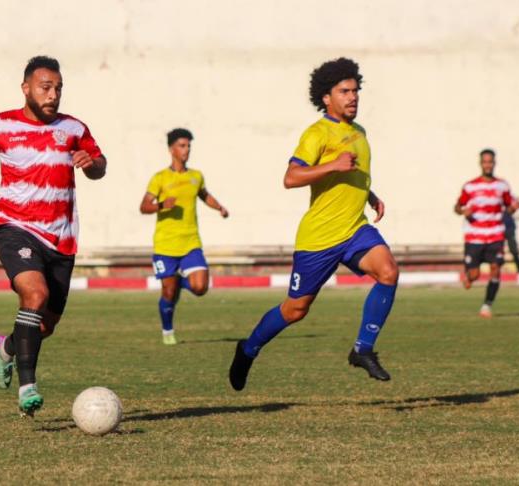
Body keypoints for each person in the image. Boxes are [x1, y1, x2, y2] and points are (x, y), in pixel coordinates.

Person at [0, 56, 106, 416]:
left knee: (46, 324)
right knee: (35, 293)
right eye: (45, 87)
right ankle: (28, 386)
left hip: (62, 237)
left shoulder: (74, 128)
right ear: (26, 88)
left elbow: (99, 166)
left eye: (58, 88)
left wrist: (92, 164)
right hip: (14, 225)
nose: (53, 94)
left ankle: (8, 348)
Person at [229, 58, 399, 391]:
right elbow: (291, 178)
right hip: (319, 237)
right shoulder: (317, 134)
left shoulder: (358, 132)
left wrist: (370, 195)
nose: (353, 97)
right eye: (344, 91)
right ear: (326, 97)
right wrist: (333, 165)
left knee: (389, 272)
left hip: (354, 230)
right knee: (295, 310)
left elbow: (352, 174)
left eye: (355, 90)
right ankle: (247, 349)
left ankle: (362, 349)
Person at [139, 128, 229, 345]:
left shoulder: (195, 176)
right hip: (165, 245)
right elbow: (144, 207)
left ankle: (180, 281)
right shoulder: (160, 178)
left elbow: (204, 195)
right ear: (171, 149)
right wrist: (162, 205)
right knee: (168, 292)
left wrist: (219, 208)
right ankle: (168, 331)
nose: (186, 150)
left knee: (200, 287)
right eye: (182, 145)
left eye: (188, 146)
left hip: (190, 242)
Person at [454, 149, 519, 317]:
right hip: (474, 236)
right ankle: (469, 276)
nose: (488, 165)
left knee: (496, 268)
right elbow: (457, 207)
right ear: (481, 163)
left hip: (496, 234)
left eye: (490, 162)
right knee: (474, 276)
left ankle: (487, 305)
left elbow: (509, 208)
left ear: (494, 163)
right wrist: (463, 212)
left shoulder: (502, 186)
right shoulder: (470, 186)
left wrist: (514, 207)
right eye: (485, 162)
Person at [502, 199, 519, 277]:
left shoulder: (512, 204)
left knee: (514, 251)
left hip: (510, 230)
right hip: (500, 230)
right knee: (497, 251)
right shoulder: (501, 204)